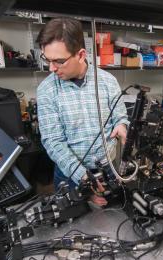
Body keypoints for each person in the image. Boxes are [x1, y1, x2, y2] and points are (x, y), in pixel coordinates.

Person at [36, 18, 129, 206]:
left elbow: (119, 114)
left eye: (59, 61)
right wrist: (83, 177)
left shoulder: (107, 81)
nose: (51, 68)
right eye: (47, 59)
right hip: (69, 175)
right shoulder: (46, 90)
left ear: (81, 54)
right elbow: (53, 141)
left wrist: (121, 124)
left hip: (108, 169)